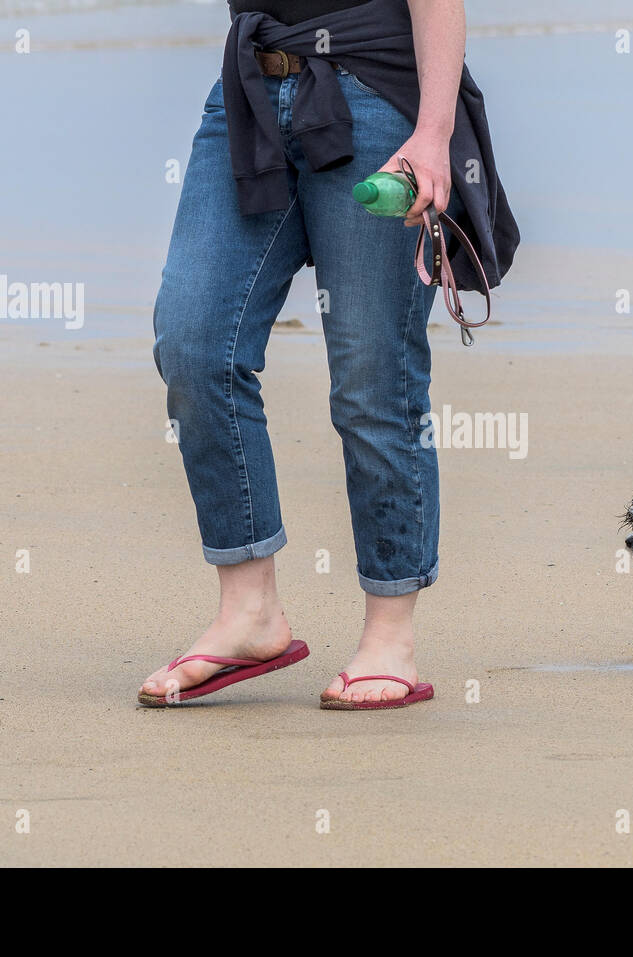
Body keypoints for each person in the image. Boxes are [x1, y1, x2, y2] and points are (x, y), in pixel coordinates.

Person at [139, 0, 517, 710]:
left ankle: (390, 635)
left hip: (378, 99)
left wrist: (434, 134)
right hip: (250, 90)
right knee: (192, 341)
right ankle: (250, 611)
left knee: (372, 374)